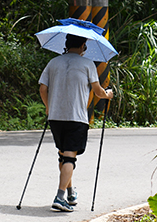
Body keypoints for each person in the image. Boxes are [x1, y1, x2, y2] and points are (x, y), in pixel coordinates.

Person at [38, 33, 114, 212]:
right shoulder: (87, 64)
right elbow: (97, 91)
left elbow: (43, 88)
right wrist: (107, 94)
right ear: (83, 47)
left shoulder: (53, 63)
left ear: (66, 44)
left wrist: (48, 107)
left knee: (63, 156)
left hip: (55, 117)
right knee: (70, 157)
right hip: (76, 117)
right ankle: (59, 196)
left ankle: (70, 192)